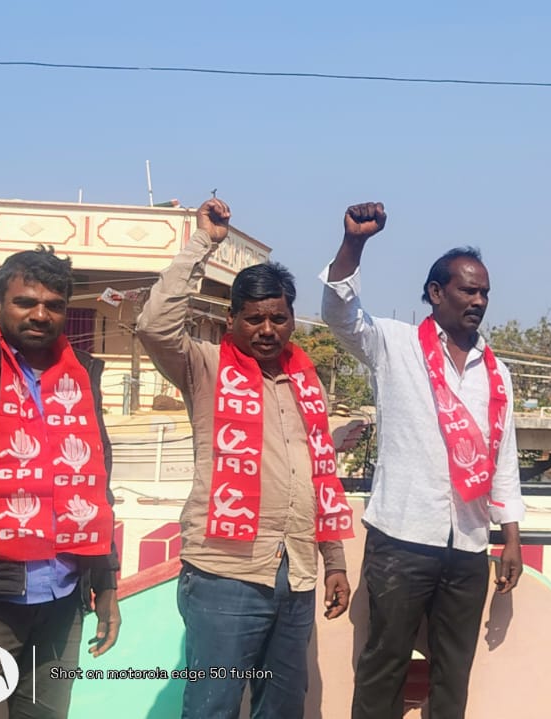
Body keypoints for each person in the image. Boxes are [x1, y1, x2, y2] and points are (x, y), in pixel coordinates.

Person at [137, 198, 353, 718]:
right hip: (224, 575)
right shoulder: (205, 367)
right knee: (212, 708)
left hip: (296, 575)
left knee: (282, 708)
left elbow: (319, 477)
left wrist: (334, 562)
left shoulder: (307, 384)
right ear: (231, 319)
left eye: (278, 318)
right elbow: (154, 326)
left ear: (292, 321)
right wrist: (203, 242)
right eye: (254, 319)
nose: (267, 329)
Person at [320, 202, 524, 719]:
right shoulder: (396, 345)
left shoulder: (497, 373)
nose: (478, 301)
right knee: (384, 664)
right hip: (401, 537)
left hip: (469, 544)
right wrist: (354, 243)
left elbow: (503, 457)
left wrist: (511, 537)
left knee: (453, 673)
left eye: (484, 293)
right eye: (468, 290)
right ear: (435, 293)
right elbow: (339, 315)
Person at [0, 246, 121, 718]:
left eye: (54, 305)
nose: (40, 315)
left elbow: (96, 486)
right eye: (25, 302)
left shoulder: (81, 376)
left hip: (62, 597)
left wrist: (105, 583)